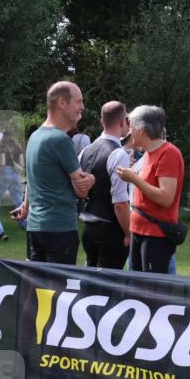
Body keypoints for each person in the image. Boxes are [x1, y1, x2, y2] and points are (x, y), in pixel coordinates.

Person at [11, 81, 95, 264]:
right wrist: (92, 178)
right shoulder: (60, 140)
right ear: (62, 103)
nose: (82, 107)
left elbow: (31, 181)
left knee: (36, 288)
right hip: (59, 229)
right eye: (78, 101)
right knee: (58, 290)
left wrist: (25, 207)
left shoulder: (35, 136)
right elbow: (82, 191)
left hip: (35, 227)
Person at [116, 105, 185, 274]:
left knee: (150, 292)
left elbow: (165, 198)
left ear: (142, 129)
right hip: (139, 230)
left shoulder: (169, 153)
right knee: (137, 287)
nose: (128, 131)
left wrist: (134, 178)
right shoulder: (147, 154)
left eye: (131, 125)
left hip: (156, 235)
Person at [79, 101, 132, 269]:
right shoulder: (118, 154)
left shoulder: (86, 151)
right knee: (108, 289)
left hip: (88, 228)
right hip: (110, 230)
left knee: (90, 285)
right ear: (123, 122)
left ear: (102, 122)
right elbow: (120, 203)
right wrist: (129, 233)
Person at [0, 128, 27, 227]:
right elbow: (22, 165)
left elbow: (2, 163)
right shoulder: (18, 147)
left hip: (5, 173)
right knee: (18, 200)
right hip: (16, 174)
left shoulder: (2, 147)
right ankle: (23, 223)